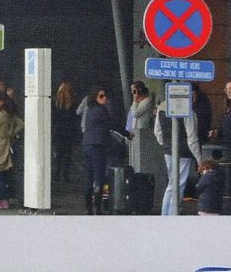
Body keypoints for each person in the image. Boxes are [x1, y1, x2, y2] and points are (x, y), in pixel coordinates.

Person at [82, 86, 129, 215]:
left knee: (89, 175)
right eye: (101, 96)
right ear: (95, 98)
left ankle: (88, 207)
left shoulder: (90, 110)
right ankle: (98, 207)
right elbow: (111, 124)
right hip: (98, 145)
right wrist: (126, 133)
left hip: (87, 145)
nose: (104, 98)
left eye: (105, 96)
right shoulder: (101, 110)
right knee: (99, 176)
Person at [154, 94, 201, 216]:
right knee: (179, 185)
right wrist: (199, 158)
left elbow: (157, 131)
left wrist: (165, 145)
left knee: (171, 184)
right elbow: (192, 139)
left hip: (168, 151)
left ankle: (165, 215)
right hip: (184, 152)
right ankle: (172, 217)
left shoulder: (161, 107)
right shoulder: (187, 110)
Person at [209, 77, 231, 160]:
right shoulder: (229, 107)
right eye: (226, 89)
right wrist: (217, 132)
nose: (228, 91)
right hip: (227, 147)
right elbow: (224, 126)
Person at [52, 80, 78, 183]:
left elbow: (53, 118)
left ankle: (57, 174)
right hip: (69, 131)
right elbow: (75, 118)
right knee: (68, 154)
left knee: (59, 154)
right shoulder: (72, 103)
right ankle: (65, 175)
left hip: (58, 130)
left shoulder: (55, 103)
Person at [126, 80, 154, 173]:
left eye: (134, 91)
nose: (133, 93)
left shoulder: (146, 101)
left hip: (142, 131)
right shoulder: (137, 102)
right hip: (134, 130)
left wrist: (135, 101)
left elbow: (135, 113)